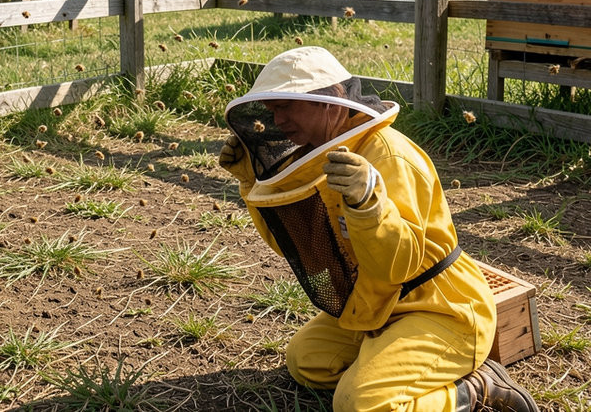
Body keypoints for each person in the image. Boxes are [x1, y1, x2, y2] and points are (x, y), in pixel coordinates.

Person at [220, 46, 538, 412]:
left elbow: (398, 266)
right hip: (374, 305)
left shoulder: (389, 156)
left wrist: (368, 204)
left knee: (359, 404)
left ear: (331, 103)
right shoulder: (317, 155)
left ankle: (475, 389)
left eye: (286, 107)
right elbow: (304, 250)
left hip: (440, 308)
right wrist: (249, 183)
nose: (276, 121)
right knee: (307, 362)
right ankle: (389, 365)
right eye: (273, 110)